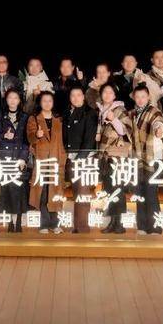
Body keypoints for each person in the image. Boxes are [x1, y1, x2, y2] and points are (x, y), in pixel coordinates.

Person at [26, 91, 66, 234]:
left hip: (56, 159)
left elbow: (63, 140)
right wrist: (36, 135)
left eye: (50, 100)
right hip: (42, 160)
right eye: (44, 100)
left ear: (53, 103)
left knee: (55, 192)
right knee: (42, 193)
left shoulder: (59, 120)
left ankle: (55, 224)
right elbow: (30, 137)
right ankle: (44, 224)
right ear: (40, 102)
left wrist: (63, 157)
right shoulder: (34, 119)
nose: (47, 103)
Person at [96, 83, 132, 234]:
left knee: (117, 189)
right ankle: (113, 222)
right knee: (109, 189)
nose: (107, 94)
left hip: (117, 155)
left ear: (115, 95)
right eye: (105, 92)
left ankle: (119, 223)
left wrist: (113, 119)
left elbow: (125, 130)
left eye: (110, 92)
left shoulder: (120, 110)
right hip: (105, 155)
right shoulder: (100, 111)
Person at [129, 85, 163, 234]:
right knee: (139, 192)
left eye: (143, 96)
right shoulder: (132, 113)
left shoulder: (154, 111)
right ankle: (142, 226)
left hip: (153, 158)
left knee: (151, 193)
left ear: (148, 97)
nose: (140, 99)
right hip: (137, 158)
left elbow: (159, 122)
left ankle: (155, 227)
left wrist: (159, 130)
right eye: (137, 97)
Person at [62, 85, 98, 233]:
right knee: (77, 193)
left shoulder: (90, 113)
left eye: (78, 95)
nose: (75, 98)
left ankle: (82, 228)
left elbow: (89, 141)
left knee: (82, 195)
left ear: (83, 96)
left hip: (84, 160)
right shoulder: (67, 113)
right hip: (70, 159)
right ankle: (78, 226)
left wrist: (79, 159)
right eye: (73, 95)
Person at [0, 88, 29, 232]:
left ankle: (19, 221)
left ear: (20, 100)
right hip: (5, 158)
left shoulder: (25, 117)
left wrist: (23, 158)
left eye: (16, 98)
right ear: (6, 100)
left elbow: (27, 140)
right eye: (10, 98)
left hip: (19, 157)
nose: (13, 100)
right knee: (7, 189)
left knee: (19, 190)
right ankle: (9, 222)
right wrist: (4, 136)